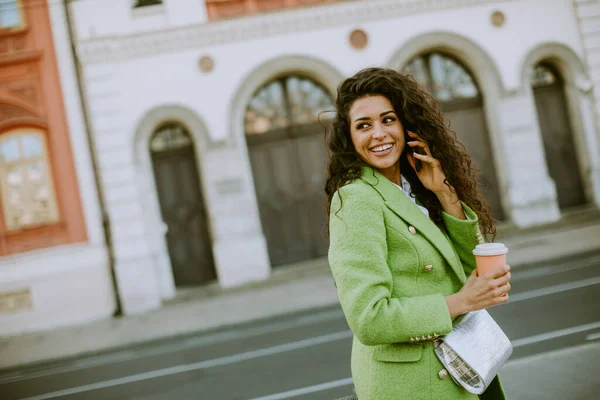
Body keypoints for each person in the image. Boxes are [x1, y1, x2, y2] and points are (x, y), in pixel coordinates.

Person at [325, 67, 511, 400]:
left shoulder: (414, 188)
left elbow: (469, 267)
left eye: (387, 119)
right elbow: (369, 318)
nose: (378, 134)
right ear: (349, 138)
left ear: (405, 125)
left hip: (458, 368)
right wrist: (460, 302)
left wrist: (444, 193)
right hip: (413, 384)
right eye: (363, 125)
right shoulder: (356, 198)